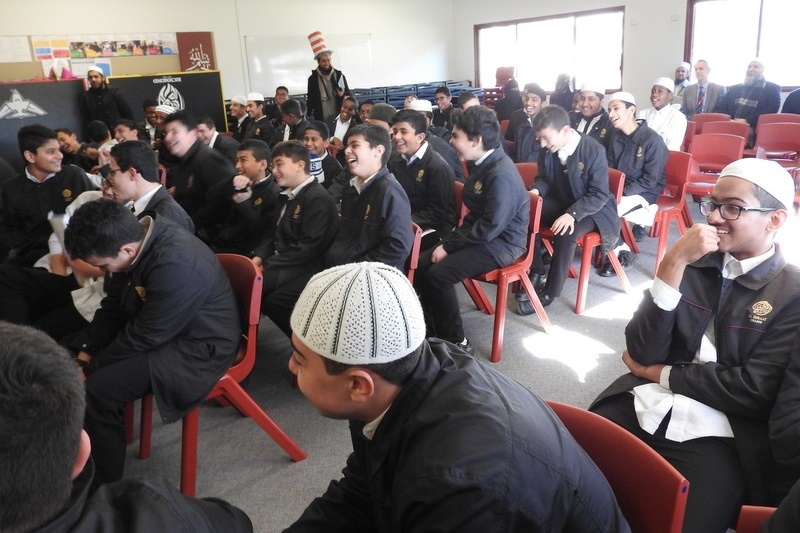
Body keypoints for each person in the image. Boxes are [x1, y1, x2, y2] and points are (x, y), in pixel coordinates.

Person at [283, 261, 629, 532]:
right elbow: (362, 491)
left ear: (359, 385)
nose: (290, 366)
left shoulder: (459, 487)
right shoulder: (408, 372)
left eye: (300, 358)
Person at [590, 158, 800, 532]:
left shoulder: (792, 293)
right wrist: (673, 261)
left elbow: (753, 389)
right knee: (559, 488)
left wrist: (662, 373)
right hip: (642, 404)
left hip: (719, 434)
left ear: (775, 220)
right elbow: (641, 351)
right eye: (712, 204)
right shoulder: (693, 261)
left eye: (733, 207)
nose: (715, 217)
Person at [0, 321, 253, 533]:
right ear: (81, 453)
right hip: (165, 347)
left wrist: (88, 359)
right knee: (100, 389)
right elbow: (236, 522)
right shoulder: (150, 511)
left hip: (189, 350)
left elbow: (147, 326)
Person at [65, 199, 241, 485]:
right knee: (72, 351)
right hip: (169, 330)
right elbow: (114, 307)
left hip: (199, 346)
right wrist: (84, 353)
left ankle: (102, 489)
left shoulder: (176, 262)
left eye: (104, 266)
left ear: (126, 250)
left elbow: (146, 335)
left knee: (98, 391)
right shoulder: (138, 239)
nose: (106, 271)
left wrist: (90, 369)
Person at [416, 106, 528, 348]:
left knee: (439, 275)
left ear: (476, 140)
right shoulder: (482, 161)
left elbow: (490, 226)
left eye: (456, 136)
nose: (452, 141)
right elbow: (478, 217)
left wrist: (449, 245)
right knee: (422, 263)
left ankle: (456, 341)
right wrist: (450, 243)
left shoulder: (500, 174)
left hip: (502, 243)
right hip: (481, 234)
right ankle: (429, 330)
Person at [516, 105, 618, 313]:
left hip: (592, 209)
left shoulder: (593, 149)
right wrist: (536, 191)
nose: (543, 144)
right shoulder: (548, 149)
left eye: (546, 138)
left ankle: (550, 292)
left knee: (565, 232)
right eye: (540, 139)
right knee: (525, 212)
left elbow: (598, 194)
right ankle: (536, 269)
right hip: (562, 200)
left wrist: (572, 214)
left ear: (564, 130)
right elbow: (544, 178)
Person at [252, 140, 337, 337]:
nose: (274, 170)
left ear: (300, 165)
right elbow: (271, 233)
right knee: (248, 283)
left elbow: (310, 247)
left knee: (264, 294)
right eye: (273, 165)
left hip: (308, 264)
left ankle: (308, 345)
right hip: (286, 260)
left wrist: (270, 264)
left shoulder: (317, 199)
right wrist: (259, 256)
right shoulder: (285, 195)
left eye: (280, 164)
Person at [0, 124, 95, 267]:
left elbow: (93, 218)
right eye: (51, 151)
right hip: (35, 256)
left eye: (59, 149)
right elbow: (10, 229)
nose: (60, 155)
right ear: (30, 156)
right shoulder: (10, 188)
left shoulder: (74, 176)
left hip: (81, 253)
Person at [323, 124, 413, 271]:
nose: (346, 151)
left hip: (369, 274)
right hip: (343, 265)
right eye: (346, 146)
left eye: (355, 145)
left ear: (378, 151)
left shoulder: (389, 191)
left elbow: (398, 247)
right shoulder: (351, 186)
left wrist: (360, 270)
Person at [601, 91, 668, 274]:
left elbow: (650, 179)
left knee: (605, 208)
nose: (611, 114)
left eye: (616, 108)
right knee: (593, 201)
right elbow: (610, 168)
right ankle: (619, 247)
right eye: (609, 109)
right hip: (619, 189)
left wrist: (620, 192)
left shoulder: (652, 141)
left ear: (631, 110)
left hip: (644, 191)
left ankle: (620, 252)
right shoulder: (615, 135)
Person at [387, 109, 456, 246]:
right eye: (395, 132)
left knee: (386, 242)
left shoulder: (437, 167)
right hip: (404, 219)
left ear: (420, 137)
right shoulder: (395, 159)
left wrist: (398, 221)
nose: (396, 137)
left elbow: (436, 214)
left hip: (432, 228)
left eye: (403, 132)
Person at [162, 109, 237, 232]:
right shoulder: (185, 161)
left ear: (192, 134)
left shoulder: (207, 158)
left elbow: (223, 205)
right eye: (166, 133)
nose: (168, 138)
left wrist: (188, 226)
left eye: (174, 132)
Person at [203, 139, 280, 254]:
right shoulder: (237, 180)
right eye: (237, 160)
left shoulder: (274, 194)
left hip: (240, 252)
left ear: (262, 164)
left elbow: (258, 232)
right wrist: (230, 182)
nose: (237, 166)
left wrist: (244, 203)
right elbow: (210, 197)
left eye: (243, 160)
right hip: (218, 240)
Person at [717, 59, 781, 146]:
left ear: (762, 70)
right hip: (731, 122)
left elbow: (771, 110)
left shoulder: (772, 88)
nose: (751, 69)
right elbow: (721, 107)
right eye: (749, 66)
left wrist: (747, 120)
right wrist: (730, 120)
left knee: (742, 132)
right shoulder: (734, 89)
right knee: (714, 131)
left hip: (754, 126)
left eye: (756, 67)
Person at [306, 33, 350, 123]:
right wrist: (306, 115)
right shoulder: (312, 79)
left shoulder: (339, 76)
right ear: (318, 62)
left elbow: (348, 94)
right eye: (323, 61)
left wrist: (342, 95)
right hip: (321, 116)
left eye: (328, 60)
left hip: (339, 115)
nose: (327, 63)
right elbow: (310, 99)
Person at [637, 77, 688, 151]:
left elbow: (673, 147)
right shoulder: (642, 114)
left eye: (660, 91)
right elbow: (636, 140)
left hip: (664, 158)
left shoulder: (678, 118)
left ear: (670, 95)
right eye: (653, 91)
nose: (655, 94)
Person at [81, 65, 134, 129]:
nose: (93, 80)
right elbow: (87, 119)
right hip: (99, 133)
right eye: (90, 77)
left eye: (96, 77)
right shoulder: (87, 96)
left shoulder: (114, 92)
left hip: (117, 131)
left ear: (103, 78)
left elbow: (128, 114)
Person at [512, 82, 547, 163]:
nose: (528, 103)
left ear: (543, 104)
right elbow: (515, 155)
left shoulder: (547, 129)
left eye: (534, 100)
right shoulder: (521, 127)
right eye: (527, 99)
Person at [571, 83, 613, 150]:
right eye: (582, 99)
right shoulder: (571, 118)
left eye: (591, 99)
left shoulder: (609, 124)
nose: (585, 104)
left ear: (601, 102)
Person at [302, 121, 342, 189]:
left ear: (326, 143)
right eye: (306, 139)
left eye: (314, 139)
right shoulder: (300, 159)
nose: (308, 143)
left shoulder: (335, 169)